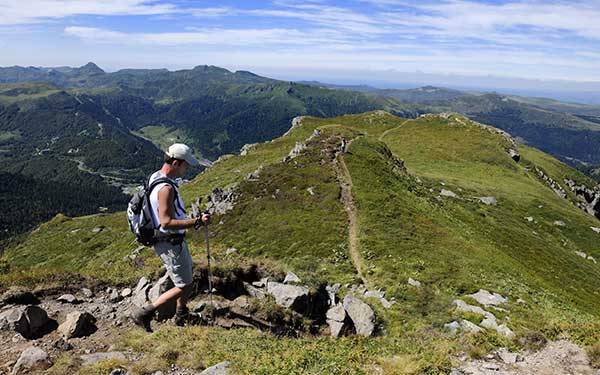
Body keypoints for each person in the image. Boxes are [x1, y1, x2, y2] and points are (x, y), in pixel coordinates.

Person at [131, 143, 210, 332]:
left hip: (170, 241)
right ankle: (145, 313)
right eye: (185, 165)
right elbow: (165, 222)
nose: (187, 168)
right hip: (169, 242)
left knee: (185, 279)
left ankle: (182, 314)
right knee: (184, 285)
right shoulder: (166, 188)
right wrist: (197, 221)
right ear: (175, 163)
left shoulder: (155, 177)